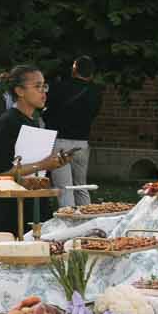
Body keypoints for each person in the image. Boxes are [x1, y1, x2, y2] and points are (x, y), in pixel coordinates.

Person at [0, 65, 62, 233]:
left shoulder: (32, 121)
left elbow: (32, 163)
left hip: (32, 203)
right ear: (20, 91)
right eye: (37, 86)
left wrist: (54, 163)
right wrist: (42, 165)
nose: (43, 92)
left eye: (44, 86)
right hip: (12, 210)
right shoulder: (8, 122)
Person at [46, 55, 102, 209]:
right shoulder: (96, 92)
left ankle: (68, 221)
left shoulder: (59, 87)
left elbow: (48, 111)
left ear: (74, 69)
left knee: (64, 188)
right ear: (91, 73)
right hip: (82, 141)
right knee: (80, 186)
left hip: (61, 141)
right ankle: (87, 218)